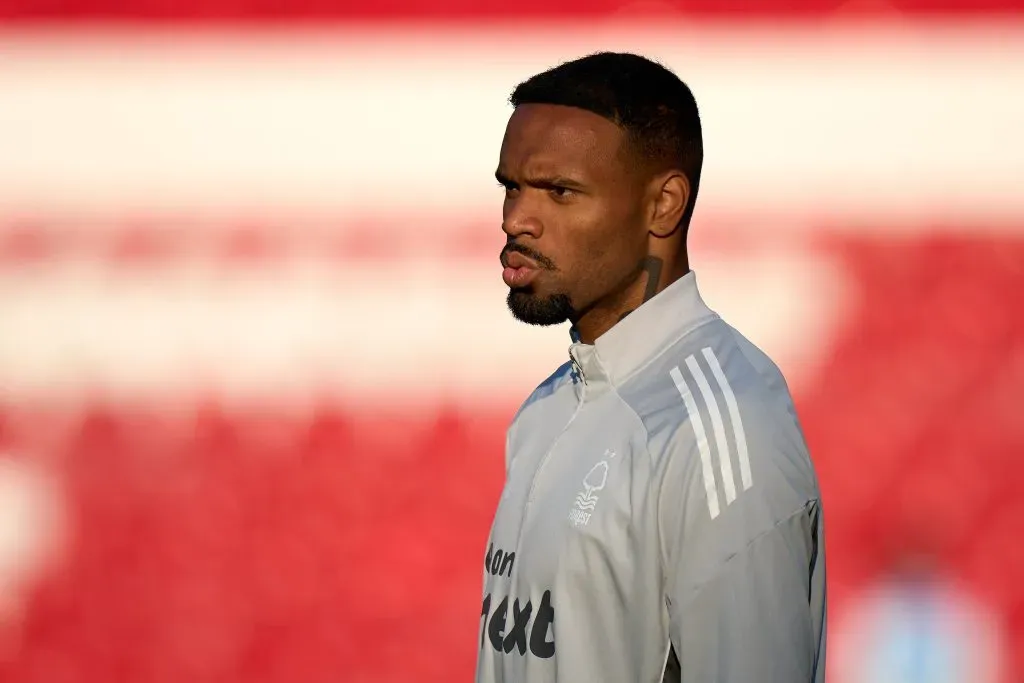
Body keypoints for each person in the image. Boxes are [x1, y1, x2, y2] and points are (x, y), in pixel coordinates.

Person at [477, 52, 826, 683]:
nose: (516, 219)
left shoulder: (724, 427)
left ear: (663, 205)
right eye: (511, 186)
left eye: (559, 191)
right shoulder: (548, 410)